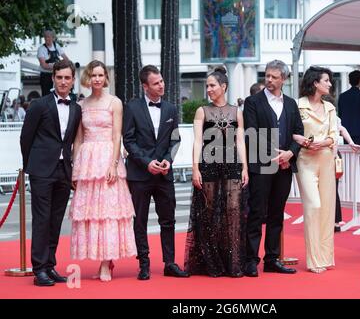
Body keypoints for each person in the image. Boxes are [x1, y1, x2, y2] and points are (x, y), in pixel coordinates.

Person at [69, 60, 137, 281]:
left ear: (106, 78)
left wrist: (113, 164)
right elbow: (78, 139)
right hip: (88, 161)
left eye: (101, 75)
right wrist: (75, 169)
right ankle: (101, 258)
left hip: (108, 156)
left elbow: (117, 135)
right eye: (94, 75)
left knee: (109, 212)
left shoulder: (114, 103)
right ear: (88, 78)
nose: (97, 79)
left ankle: (106, 263)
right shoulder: (81, 105)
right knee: (93, 214)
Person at [123, 65, 189, 280]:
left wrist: (168, 160)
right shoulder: (132, 108)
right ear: (145, 86)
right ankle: (144, 263)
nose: (161, 85)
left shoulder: (170, 108)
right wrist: (146, 162)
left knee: (168, 220)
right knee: (140, 220)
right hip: (140, 174)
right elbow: (129, 141)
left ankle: (170, 263)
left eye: (161, 81)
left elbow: (175, 139)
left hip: (164, 174)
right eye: (156, 83)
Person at [20, 60, 82, 286]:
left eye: (67, 78)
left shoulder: (76, 108)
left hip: (63, 171)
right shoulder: (39, 105)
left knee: (56, 220)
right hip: (41, 171)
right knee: (42, 219)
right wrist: (31, 167)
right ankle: (39, 270)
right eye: (59, 77)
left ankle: (50, 265)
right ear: (53, 78)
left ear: (73, 80)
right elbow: (25, 138)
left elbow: (71, 140)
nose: (63, 82)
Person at [184, 66, 249, 277]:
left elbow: (240, 141)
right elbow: (197, 141)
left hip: (232, 166)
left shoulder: (236, 112)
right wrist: (195, 168)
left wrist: (245, 167)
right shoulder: (202, 111)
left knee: (233, 212)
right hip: (208, 166)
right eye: (207, 86)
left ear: (223, 86)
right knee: (210, 214)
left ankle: (234, 263)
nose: (209, 89)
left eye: (212, 85)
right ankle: (212, 263)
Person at [243, 60, 303, 277]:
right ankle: (251, 260)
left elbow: (298, 132)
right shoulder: (253, 102)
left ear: (283, 79)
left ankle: (272, 259)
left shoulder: (291, 104)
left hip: (285, 166)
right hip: (261, 166)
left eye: (274, 77)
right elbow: (251, 132)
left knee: (277, 214)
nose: (268, 80)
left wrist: (291, 153)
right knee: (257, 213)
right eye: (267, 75)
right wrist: (277, 156)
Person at [293, 66, 338, 274]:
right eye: (326, 80)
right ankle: (314, 259)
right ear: (315, 83)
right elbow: (291, 131)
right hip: (305, 160)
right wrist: (301, 140)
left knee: (327, 209)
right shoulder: (297, 105)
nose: (329, 84)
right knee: (314, 206)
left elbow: (333, 135)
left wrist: (324, 142)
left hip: (326, 158)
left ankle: (326, 257)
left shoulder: (330, 107)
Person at [337, 70, 360, 146]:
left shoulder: (342, 96)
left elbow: (340, 114)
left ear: (349, 81)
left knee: (349, 155)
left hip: (346, 132)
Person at [37, 29, 70, 96]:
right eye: (45, 37)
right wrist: (57, 66)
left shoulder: (56, 46)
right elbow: (44, 65)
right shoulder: (41, 49)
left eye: (49, 37)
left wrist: (69, 65)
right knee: (46, 96)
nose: (47, 38)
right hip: (46, 76)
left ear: (53, 38)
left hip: (56, 75)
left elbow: (65, 58)